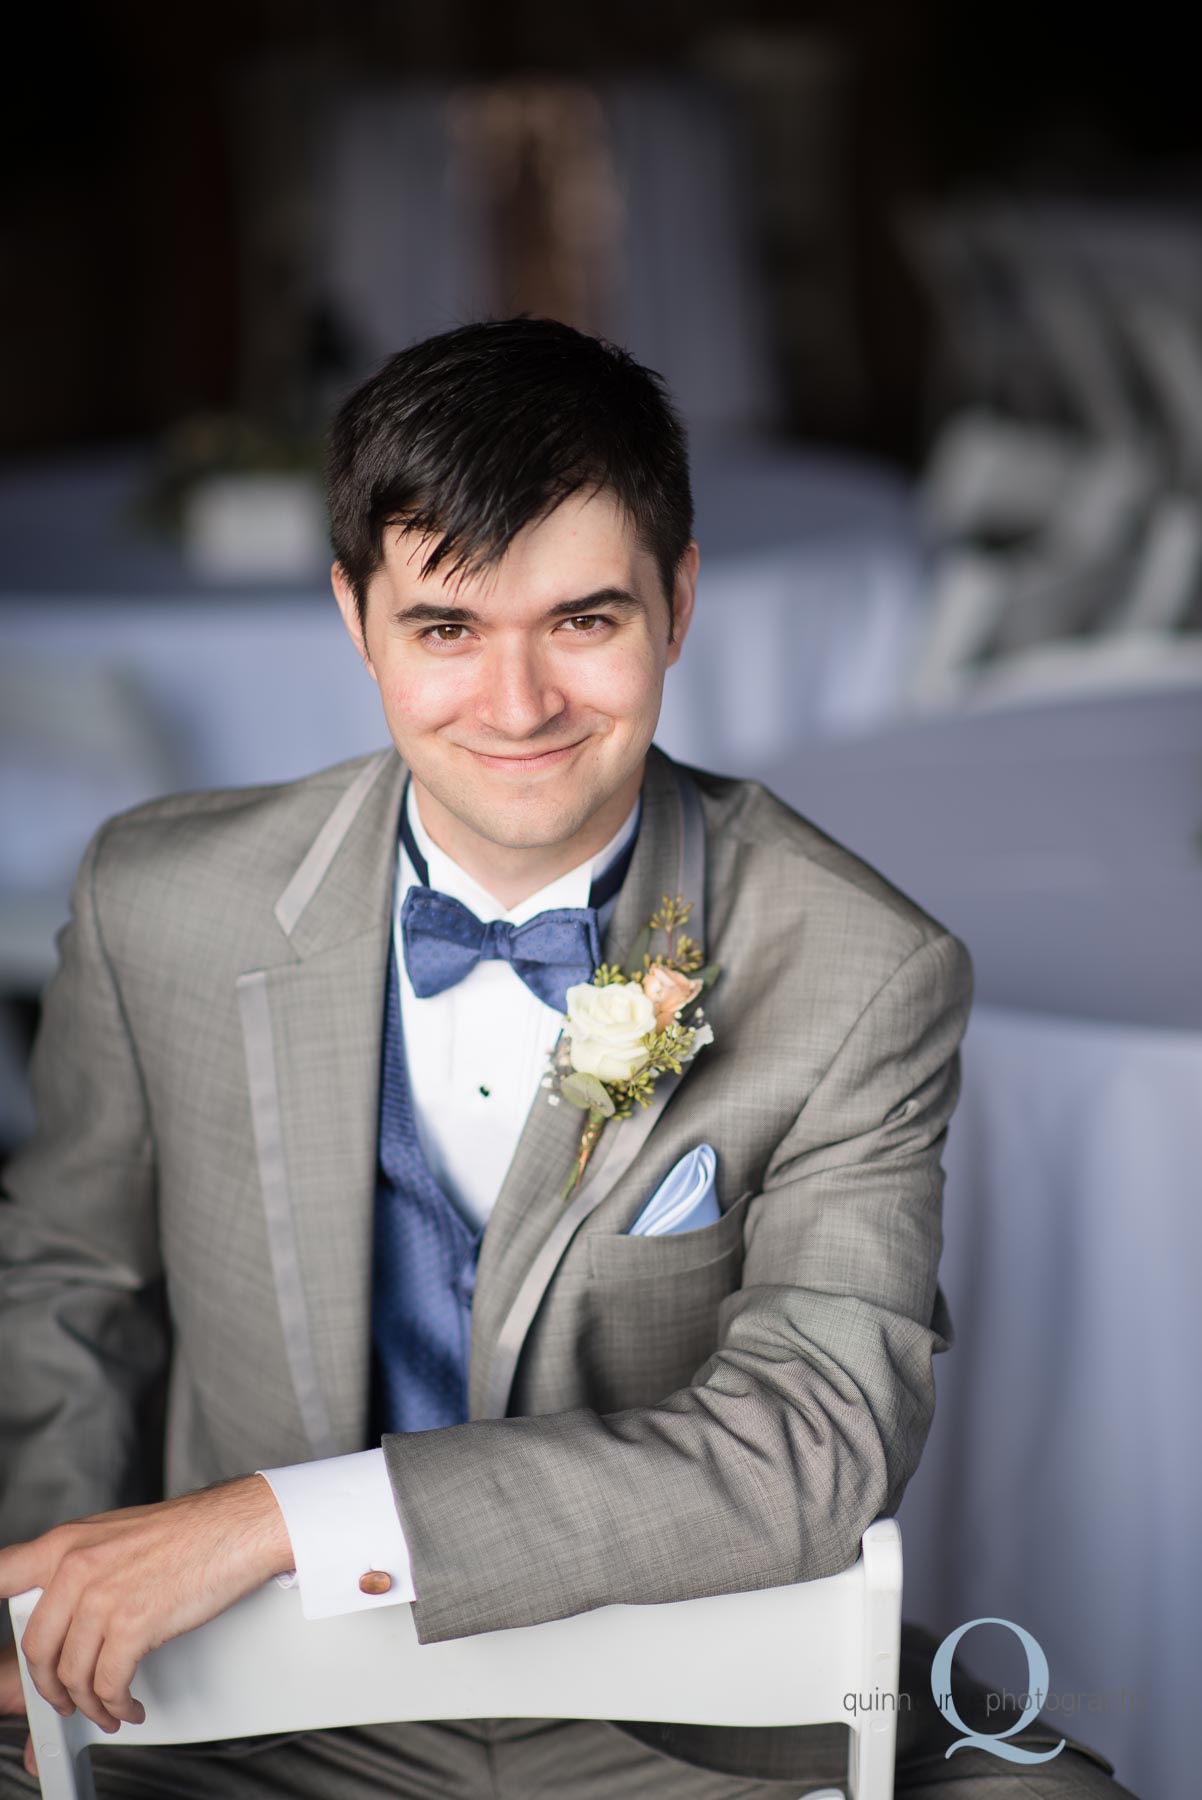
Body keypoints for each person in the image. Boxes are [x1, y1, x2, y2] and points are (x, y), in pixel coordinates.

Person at [0, 319, 1134, 1798]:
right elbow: (73, 1288)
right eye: (448, 629)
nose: (518, 705)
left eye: (583, 621)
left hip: (680, 1707)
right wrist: (41, 1615)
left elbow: (809, 1445)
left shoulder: (859, 965)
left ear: (677, 603)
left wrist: (280, 1518)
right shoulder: (162, 901)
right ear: (356, 619)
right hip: (228, 1695)